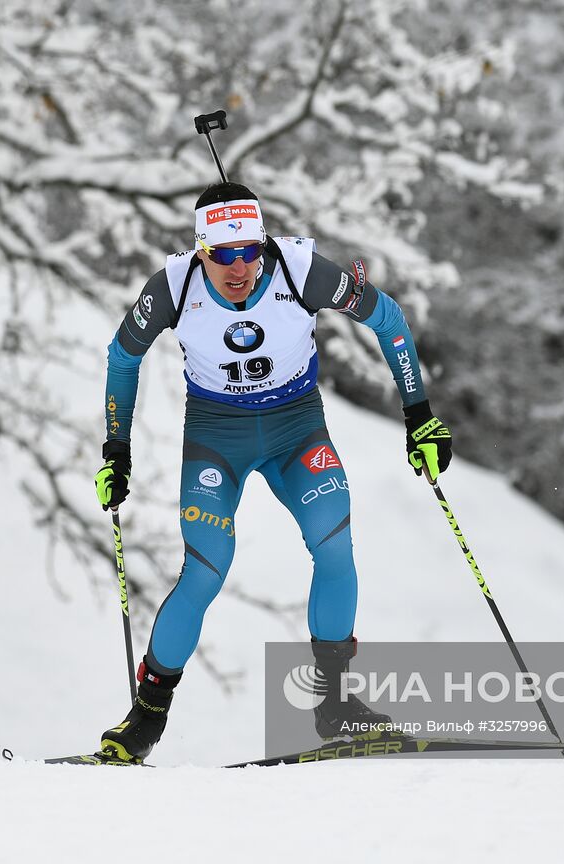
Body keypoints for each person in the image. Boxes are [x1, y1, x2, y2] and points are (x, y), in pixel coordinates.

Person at [93, 181, 453, 762]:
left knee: (335, 546)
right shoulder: (173, 287)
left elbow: (386, 317)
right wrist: (117, 451)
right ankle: (146, 718)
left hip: (295, 429)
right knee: (206, 570)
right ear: (200, 250)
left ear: (263, 243)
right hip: (217, 437)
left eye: (250, 251)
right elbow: (121, 355)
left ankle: (333, 703)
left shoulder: (301, 269)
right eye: (222, 254)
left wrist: (420, 416)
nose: (239, 267)